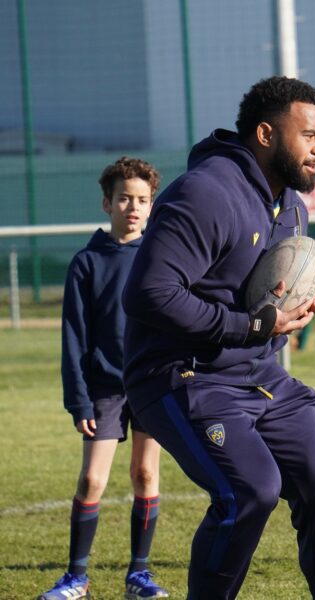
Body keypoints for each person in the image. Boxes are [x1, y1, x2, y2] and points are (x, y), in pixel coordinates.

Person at [121, 76, 315, 600]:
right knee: (252, 490)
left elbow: (264, 298)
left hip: (257, 374)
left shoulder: (292, 206)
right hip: (181, 376)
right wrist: (249, 326)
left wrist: (296, 306)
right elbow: (147, 294)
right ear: (266, 134)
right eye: (309, 135)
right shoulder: (205, 193)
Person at [40, 157, 168, 600]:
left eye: (142, 200)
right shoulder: (87, 262)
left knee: (145, 473)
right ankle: (76, 577)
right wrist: (78, 399)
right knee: (92, 480)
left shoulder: (160, 258)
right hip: (104, 388)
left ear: (151, 206)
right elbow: (73, 338)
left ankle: (139, 575)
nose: (133, 207)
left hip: (151, 383)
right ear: (106, 203)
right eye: (124, 198)